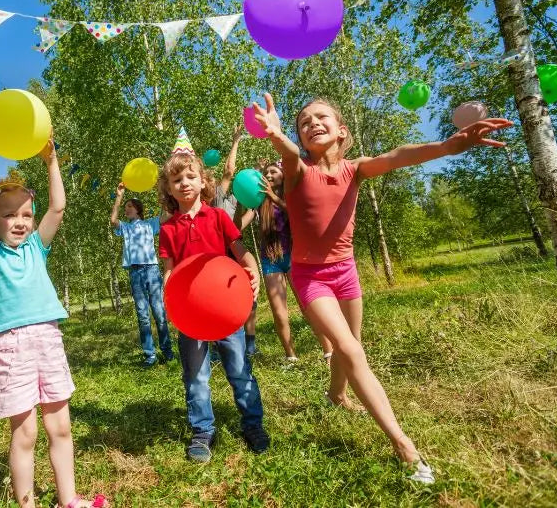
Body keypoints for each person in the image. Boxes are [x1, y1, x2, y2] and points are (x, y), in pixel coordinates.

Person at [252, 92, 512, 483]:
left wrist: (447, 145)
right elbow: (287, 153)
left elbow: (398, 155)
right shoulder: (297, 170)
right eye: (304, 122)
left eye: (321, 117)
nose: (312, 124)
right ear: (300, 138)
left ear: (342, 131)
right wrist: (275, 135)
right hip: (311, 276)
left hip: (346, 271)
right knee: (350, 347)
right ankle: (404, 445)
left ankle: (337, 395)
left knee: (351, 343)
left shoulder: (355, 169)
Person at [0, 123, 108, 508]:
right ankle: (27, 504)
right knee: (24, 434)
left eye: (26, 213)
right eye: (10, 215)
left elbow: (58, 206)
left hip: (48, 339)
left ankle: (69, 499)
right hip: (9, 347)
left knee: (61, 426)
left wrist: (52, 160)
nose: (21, 221)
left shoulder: (36, 248)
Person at [157, 129, 270, 463]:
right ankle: (203, 431)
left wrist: (252, 271)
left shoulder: (218, 216)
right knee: (196, 375)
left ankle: (253, 424)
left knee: (238, 368)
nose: (184, 183)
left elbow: (240, 250)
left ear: (203, 182)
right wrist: (169, 296)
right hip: (190, 316)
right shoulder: (167, 229)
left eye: (191, 176)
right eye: (176, 179)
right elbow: (169, 269)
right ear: (168, 188)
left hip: (225, 310)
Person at [238, 162, 334, 363]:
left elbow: (299, 214)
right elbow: (237, 228)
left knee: (308, 307)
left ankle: (328, 350)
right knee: (279, 313)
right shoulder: (258, 202)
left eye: (274, 171)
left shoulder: (290, 195)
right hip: (270, 260)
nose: (269, 175)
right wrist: (241, 199)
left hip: (293, 257)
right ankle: (291, 356)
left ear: (283, 175)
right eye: (266, 173)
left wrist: (274, 197)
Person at [110, 183, 175, 367]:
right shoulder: (125, 227)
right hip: (135, 272)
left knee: (159, 312)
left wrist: (162, 191)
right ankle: (150, 355)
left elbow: (167, 215)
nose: (126, 209)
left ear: (138, 209)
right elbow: (113, 220)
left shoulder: (150, 224)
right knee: (142, 314)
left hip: (152, 271)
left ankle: (167, 351)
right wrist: (119, 197)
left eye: (130, 206)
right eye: (126, 207)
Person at [212, 123, 259, 358]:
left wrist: (260, 193)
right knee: (218, 301)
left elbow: (241, 224)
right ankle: (218, 345)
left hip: (234, 251)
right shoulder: (218, 198)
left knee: (248, 298)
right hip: (217, 256)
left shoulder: (238, 204)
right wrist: (236, 140)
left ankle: (249, 344)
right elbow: (229, 171)